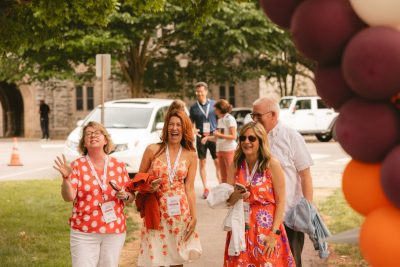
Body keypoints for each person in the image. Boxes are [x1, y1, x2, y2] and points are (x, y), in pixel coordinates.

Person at [53, 121, 134, 267]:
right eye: (88, 134)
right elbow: (68, 197)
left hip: (113, 231)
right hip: (84, 232)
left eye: (97, 133)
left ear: (105, 140)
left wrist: (125, 196)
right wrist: (66, 179)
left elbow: (131, 197)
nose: (93, 136)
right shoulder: (77, 166)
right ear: (84, 143)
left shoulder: (118, 165)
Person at [252, 96, 314, 267]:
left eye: (258, 116)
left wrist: (307, 210)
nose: (254, 120)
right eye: (253, 116)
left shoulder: (291, 137)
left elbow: (305, 175)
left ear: (272, 115)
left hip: (288, 217)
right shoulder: (252, 139)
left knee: (291, 262)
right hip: (261, 219)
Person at [137, 109, 202, 267]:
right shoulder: (153, 150)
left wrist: (194, 216)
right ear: (165, 128)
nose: (174, 128)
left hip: (180, 214)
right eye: (171, 124)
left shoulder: (191, 155)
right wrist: (149, 186)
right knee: (157, 259)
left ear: (184, 128)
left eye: (178, 125)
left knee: (177, 260)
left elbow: (190, 188)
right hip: (156, 212)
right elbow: (138, 181)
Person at [224, 122, 295, 266]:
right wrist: (237, 195)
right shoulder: (236, 164)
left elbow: (281, 202)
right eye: (242, 138)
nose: (246, 142)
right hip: (240, 227)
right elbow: (228, 201)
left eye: (252, 138)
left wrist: (274, 234)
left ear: (261, 141)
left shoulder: (272, 164)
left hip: (266, 227)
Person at [189, 81, 220, 198]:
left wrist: (219, 132)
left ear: (206, 92)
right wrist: (193, 130)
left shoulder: (214, 104)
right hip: (201, 137)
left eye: (201, 91)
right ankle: (205, 188)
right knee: (202, 162)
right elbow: (191, 124)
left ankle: (220, 187)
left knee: (217, 162)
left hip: (213, 136)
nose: (199, 94)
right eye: (197, 92)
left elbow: (219, 119)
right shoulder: (193, 108)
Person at [201, 99, 237, 183]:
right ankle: (225, 194)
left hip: (229, 150)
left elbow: (233, 136)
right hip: (220, 150)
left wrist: (218, 135)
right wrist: (207, 138)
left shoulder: (230, 119)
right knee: (223, 176)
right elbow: (218, 137)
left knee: (231, 174)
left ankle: (233, 194)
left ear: (221, 109)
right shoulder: (220, 120)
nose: (214, 111)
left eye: (216, 109)